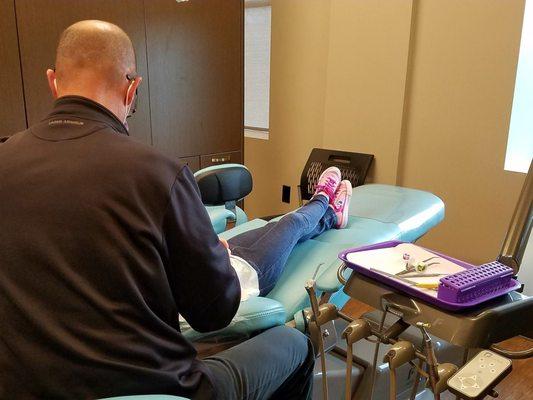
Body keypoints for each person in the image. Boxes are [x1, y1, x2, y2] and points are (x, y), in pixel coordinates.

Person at [0, 20, 316, 400]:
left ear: (53, 81)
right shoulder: (158, 174)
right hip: (159, 390)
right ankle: (322, 208)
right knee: (295, 345)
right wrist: (216, 253)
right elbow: (214, 313)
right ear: (132, 89)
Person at [220, 167, 352, 302]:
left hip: (222, 258)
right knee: (292, 222)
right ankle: (322, 196)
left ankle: (332, 216)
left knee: (275, 227)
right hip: (243, 277)